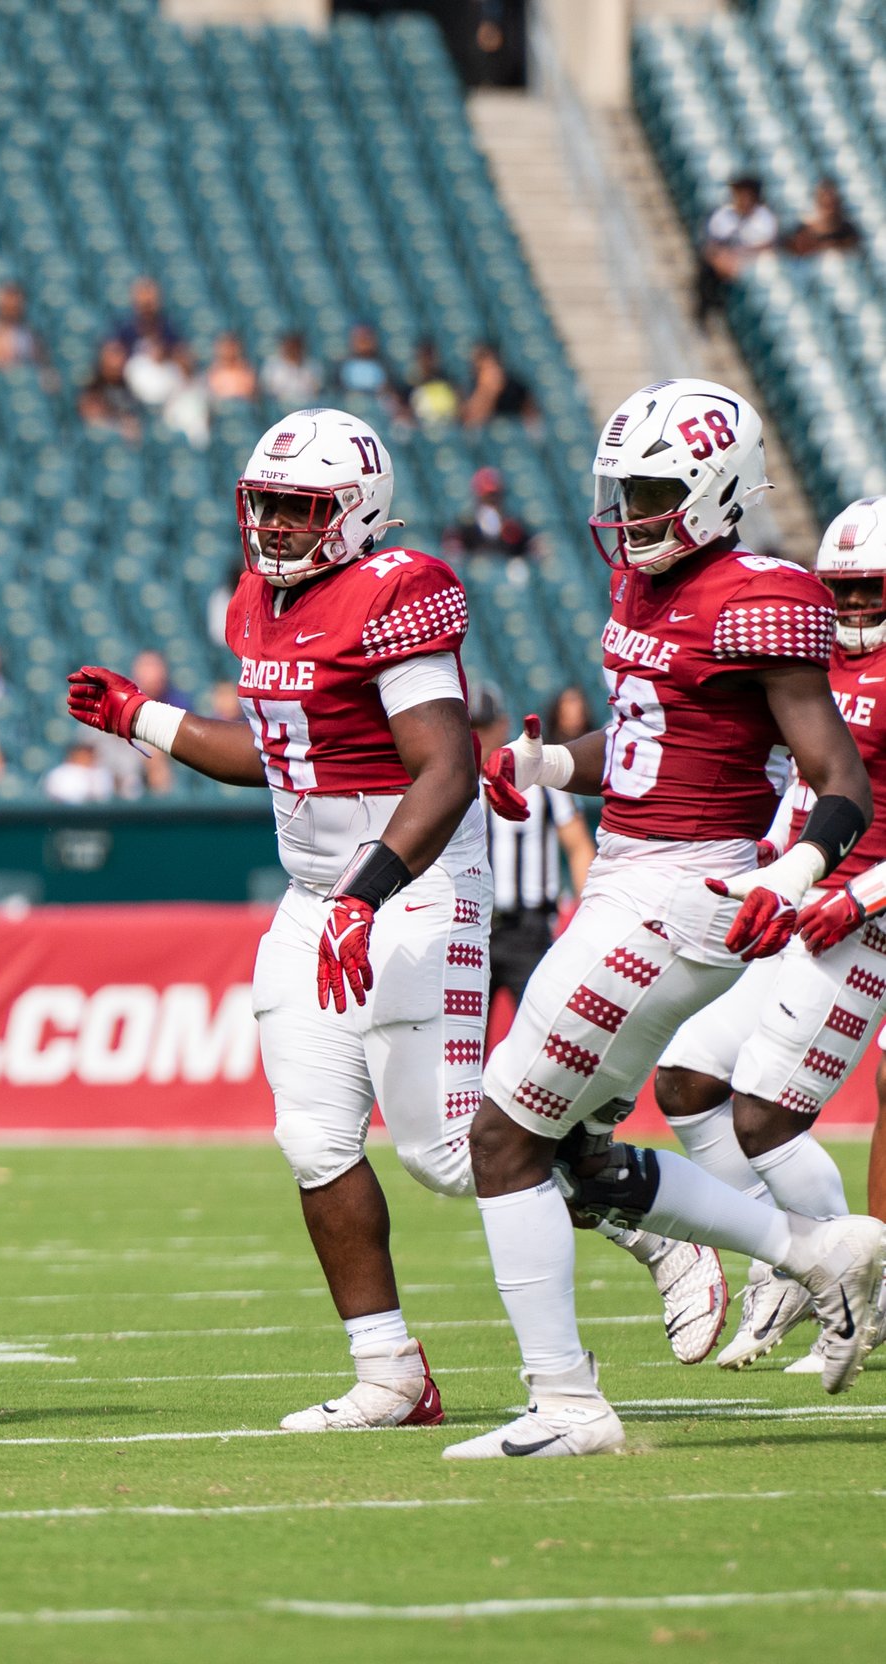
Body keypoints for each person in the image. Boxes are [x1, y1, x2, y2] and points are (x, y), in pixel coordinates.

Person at [70, 407, 689, 1434]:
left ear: (355, 512)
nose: (270, 524)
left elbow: (443, 767)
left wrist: (367, 889)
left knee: (453, 1150)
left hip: (412, 884)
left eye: (297, 507)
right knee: (312, 1137)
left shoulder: (396, 590)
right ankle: (390, 1371)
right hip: (317, 896)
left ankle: (637, 1206)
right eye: (262, 502)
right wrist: (145, 717)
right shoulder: (254, 604)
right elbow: (274, 754)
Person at [466, 379, 886, 1460]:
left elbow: (838, 776)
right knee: (575, 1151)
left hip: (683, 891)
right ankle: (816, 1250)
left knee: (502, 1134)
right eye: (624, 488)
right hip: (627, 873)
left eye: (654, 488)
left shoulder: (760, 593)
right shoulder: (640, 586)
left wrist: (789, 872)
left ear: (715, 487)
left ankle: (566, 1403)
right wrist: (547, 762)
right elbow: (645, 734)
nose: (631, 510)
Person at [651, 496, 886, 1374]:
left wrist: (859, 898)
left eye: (873, 594)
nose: (855, 612)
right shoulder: (809, 658)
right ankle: (791, 1259)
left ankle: (849, 1279)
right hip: (795, 904)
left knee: (764, 1113)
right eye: (845, 593)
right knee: (684, 1079)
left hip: (861, 927)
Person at [471, 684, 591, 1033]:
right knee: (462, 1043)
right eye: (471, 729)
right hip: (472, 929)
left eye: (484, 727)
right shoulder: (455, 786)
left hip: (530, 929)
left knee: (540, 1038)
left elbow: (580, 847)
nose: (478, 738)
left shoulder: (540, 783)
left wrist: (581, 917)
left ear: (502, 725)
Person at [697, 175, 779, 325]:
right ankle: (707, 308)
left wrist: (738, 255)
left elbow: (765, 247)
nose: (742, 200)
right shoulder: (724, 213)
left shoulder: (765, 220)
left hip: (751, 263)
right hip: (724, 259)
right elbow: (714, 241)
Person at [443, 467, 538, 569]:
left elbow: (528, 549)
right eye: (488, 497)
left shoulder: (513, 525)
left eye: (496, 496)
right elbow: (453, 554)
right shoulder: (465, 525)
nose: (493, 501)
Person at [0, 280, 51, 384]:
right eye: (8, 300)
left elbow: (41, 362)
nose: (12, 305)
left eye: (15, 300)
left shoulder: (31, 334)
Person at [459, 342, 538, 430]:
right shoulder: (470, 386)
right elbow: (471, 423)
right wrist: (487, 392)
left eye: (491, 367)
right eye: (483, 369)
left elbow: (533, 422)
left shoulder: (515, 386)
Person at [785, 178, 861, 258]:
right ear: (817, 202)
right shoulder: (802, 230)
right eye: (825, 203)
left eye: (832, 202)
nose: (830, 207)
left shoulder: (848, 232)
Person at [261, 330, 322, 409]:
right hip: (281, 405)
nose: (293, 351)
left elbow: (316, 389)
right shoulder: (272, 365)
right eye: (290, 348)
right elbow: (269, 389)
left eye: (296, 348)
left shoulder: (313, 366)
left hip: (307, 405)